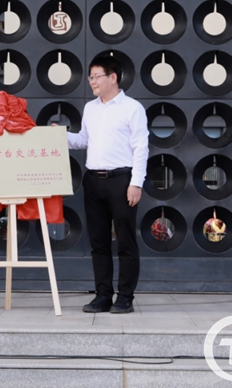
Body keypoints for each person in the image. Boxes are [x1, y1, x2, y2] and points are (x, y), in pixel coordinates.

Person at [67, 54, 149, 314]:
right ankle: (103, 296)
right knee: (98, 242)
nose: (92, 81)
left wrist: (136, 183)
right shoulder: (90, 108)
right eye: (90, 77)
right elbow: (83, 140)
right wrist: (58, 136)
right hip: (93, 181)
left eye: (96, 76)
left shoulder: (132, 108)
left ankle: (125, 297)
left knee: (125, 241)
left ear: (113, 78)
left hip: (121, 181)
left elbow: (141, 148)